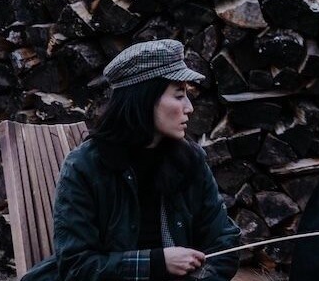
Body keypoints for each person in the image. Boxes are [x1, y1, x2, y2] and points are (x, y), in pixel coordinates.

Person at [22, 39, 240, 281]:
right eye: (179, 95)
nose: (189, 107)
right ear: (144, 99)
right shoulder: (85, 167)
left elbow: (224, 240)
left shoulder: (190, 160)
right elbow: (77, 266)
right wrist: (155, 263)